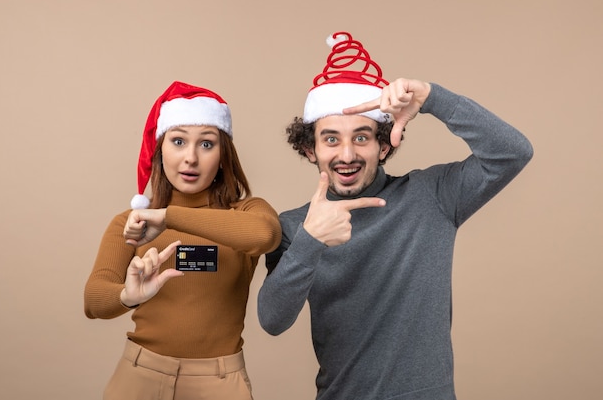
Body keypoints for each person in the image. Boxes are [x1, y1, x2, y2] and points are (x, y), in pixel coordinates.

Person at [257, 32, 533, 400]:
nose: (347, 154)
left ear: (384, 144)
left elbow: (513, 152)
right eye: (331, 139)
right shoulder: (294, 226)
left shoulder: (431, 195)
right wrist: (311, 241)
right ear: (310, 149)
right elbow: (272, 320)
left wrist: (433, 98)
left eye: (361, 137)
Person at [84, 81, 281, 400]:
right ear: (160, 149)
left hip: (219, 382)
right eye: (178, 141)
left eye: (206, 144)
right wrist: (129, 295)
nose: (191, 158)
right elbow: (93, 302)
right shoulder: (132, 223)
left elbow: (266, 234)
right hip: (138, 377)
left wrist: (167, 216)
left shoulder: (245, 212)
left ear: (223, 155)